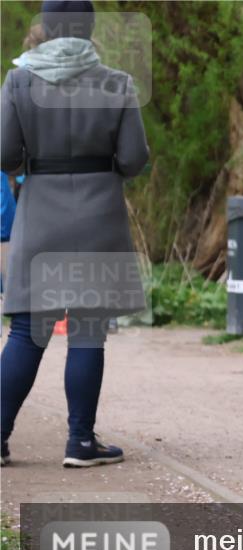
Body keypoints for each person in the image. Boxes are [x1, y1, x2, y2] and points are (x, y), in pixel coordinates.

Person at [1, 1, 149, 468]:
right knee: (87, 331)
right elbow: (133, 159)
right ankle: (80, 443)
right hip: (98, 218)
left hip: (40, 214)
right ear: (88, 29)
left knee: (27, 332)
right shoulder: (118, 82)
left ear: (44, 28)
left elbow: (5, 154)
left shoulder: (19, 80)